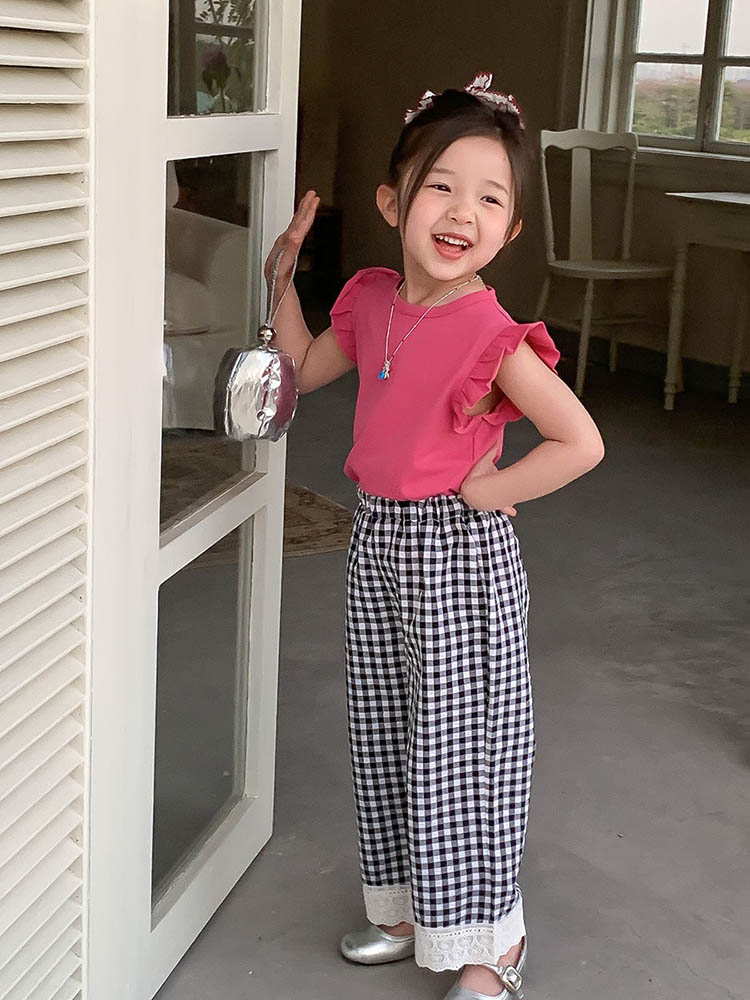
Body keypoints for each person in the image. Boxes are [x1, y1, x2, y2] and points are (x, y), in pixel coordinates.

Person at [265, 71, 605, 1000]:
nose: (462, 212)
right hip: (377, 542)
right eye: (442, 186)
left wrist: (491, 489)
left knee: (467, 753)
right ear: (393, 202)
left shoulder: (492, 334)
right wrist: (282, 279)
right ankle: (408, 912)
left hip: (460, 559)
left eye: (490, 199)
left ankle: (495, 947)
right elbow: (299, 369)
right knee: (386, 731)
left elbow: (580, 441)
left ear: (511, 229)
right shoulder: (374, 301)